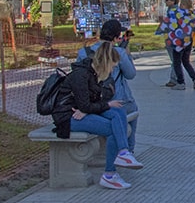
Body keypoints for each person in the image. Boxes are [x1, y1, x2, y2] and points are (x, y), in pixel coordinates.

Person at [56, 41, 143, 189]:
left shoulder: (96, 73)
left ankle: (123, 152)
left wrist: (89, 107)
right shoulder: (81, 75)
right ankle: (110, 173)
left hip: (82, 112)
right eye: (112, 67)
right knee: (112, 128)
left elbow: (104, 95)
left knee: (118, 112)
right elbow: (86, 104)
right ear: (106, 63)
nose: (112, 71)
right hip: (69, 117)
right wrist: (94, 107)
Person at [77, 19, 139, 154]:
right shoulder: (119, 52)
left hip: (91, 101)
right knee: (134, 110)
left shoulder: (83, 53)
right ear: (116, 38)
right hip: (116, 99)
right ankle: (129, 150)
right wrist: (127, 55)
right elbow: (131, 74)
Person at [158, 0, 195, 90]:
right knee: (186, 62)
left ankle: (181, 82)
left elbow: (169, 22)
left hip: (178, 41)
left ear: (184, 5)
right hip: (188, 41)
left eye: (181, 4)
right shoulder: (193, 14)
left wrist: (161, 29)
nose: (180, 6)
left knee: (177, 62)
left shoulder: (178, 13)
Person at [159, 0, 179, 87]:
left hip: (173, 38)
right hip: (172, 38)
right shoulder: (171, 10)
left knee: (175, 60)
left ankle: (174, 79)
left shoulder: (173, 11)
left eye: (167, 0)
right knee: (176, 60)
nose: (165, 1)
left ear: (173, 1)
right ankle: (178, 78)